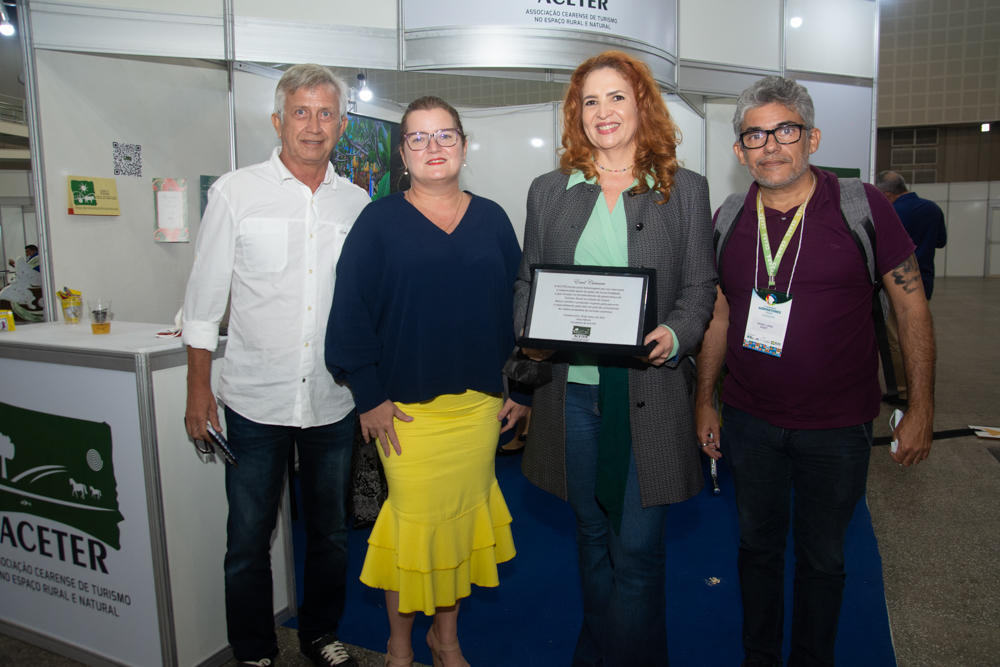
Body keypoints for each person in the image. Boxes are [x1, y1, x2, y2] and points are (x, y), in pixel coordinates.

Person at [694, 76, 935, 667]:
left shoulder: (861, 206)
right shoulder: (728, 216)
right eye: (755, 134)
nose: (771, 144)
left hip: (839, 426)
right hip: (750, 421)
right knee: (756, 549)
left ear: (812, 138)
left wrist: (921, 407)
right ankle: (759, 655)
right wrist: (706, 401)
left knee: (823, 557)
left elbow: (911, 306)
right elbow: (721, 315)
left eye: (785, 130)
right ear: (739, 150)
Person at [515, 51, 717, 666]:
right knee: (590, 538)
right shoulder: (550, 191)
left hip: (647, 394)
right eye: (590, 101)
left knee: (637, 549)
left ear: (642, 105)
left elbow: (700, 289)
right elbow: (527, 283)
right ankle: (597, 650)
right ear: (577, 114)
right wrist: (530, 331)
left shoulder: (683, 190)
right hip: (570, 393)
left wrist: (677, 334)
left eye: (617, 97)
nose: (603, 112)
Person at [326, 96, 529, 667]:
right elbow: (349, 314)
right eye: (418, 138)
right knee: (413, 530)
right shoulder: (378, 220)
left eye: (444, 136)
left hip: (479, 411)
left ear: (463, 145)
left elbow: (522, 311)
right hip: (405, 415)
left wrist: (523, 388)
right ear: (403, 152)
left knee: (459, 529)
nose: (433, 148)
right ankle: (398, 644)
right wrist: (368, 396)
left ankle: (447, 639)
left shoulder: (492, 218)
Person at [182, 64, 370, 667]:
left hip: (331, 399)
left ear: (341, 125)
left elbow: (368, 304)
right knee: (247, 541)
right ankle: (255, 650)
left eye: (325, 114)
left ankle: (319, 633)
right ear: (278, 119)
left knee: (332, 536)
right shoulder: (236, 193)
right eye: (300, 111)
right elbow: (203, 301)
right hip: (253, 400)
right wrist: (198, 389)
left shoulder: (358, 203)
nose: (313, 126)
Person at [874, 170, 947, 405]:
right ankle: (918, 387)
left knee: (896, 338)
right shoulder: (933, 208)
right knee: (918, 332)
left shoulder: (892, 212)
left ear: (887, 194)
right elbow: (941, 242)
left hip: (897, 284)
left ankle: (903, 390)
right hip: (924, 281)